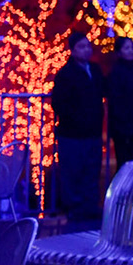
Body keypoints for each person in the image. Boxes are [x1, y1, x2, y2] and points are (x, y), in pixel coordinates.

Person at [50, 33, 105, 222]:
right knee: (72, 170)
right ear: (73, 51)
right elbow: (59, 102)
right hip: (72, 133)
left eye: (88, 46)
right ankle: (74, 207)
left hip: (92, 131)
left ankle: (89, 206)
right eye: (81, 47)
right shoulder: (66, 74)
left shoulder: (95, 70)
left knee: (91, 170)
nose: (87, 50)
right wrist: (75, 118)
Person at [103, 36, 133, 176]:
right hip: (123, 126)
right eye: (127, 48)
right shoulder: (117, 73)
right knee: (123, 160)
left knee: (131, 158)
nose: (131, 51)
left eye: (132, 48)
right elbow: (117, 100)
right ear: (119, 52)